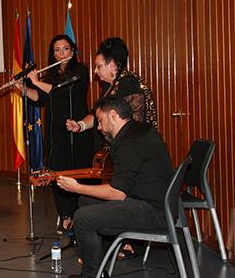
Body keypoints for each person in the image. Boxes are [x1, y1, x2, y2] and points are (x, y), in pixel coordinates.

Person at [57, 96, 173, 278]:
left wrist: (76, 187)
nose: (99, 127)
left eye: (101, 121)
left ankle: (91, 274)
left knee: (82, 218)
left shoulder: (128, 142)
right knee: (85, 201)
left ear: (113, 115)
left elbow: (117, 193)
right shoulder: (139, 129)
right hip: (158, 202)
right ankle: (100, 262)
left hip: (154, 211)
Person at [66, 37, 158, 258]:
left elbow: (132, 123)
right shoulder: (111, 87)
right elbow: (97, 114)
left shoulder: (129, 84)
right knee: (95, 198)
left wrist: (77, 186)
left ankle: (127, 242)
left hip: (134, 158)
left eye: (99, 66)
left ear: (113, 65)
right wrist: (80, 125)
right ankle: (117, 240)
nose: (96, 71)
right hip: (121, 155)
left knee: (121, 191)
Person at [17, 34, 94, 234]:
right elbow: (41, 97)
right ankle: (66, 216)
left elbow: (61, 91)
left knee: (77, 173)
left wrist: (35, 80)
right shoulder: (51, 76)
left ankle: (81, 215)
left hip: (76, 130)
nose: (61, 53)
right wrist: (24, 89)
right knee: (57, 174)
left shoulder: (80, 71)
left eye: (65, 49)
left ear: (73, 51)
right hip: (55, 132)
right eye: (57, 50)